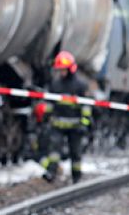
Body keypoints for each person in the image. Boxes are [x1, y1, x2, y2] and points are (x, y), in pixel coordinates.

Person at [38, 50, 92, 183]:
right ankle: (51, 172)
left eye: (63, 69)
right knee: (54, 151)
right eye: (60, 70)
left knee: (75, 153)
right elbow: (50, 103)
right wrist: (46, 116)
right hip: (58, 125)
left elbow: (86, 107)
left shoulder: (80, 85)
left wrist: (85, 123)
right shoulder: (55, 84)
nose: (61, 72)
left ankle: (76, 177)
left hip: (75, 126)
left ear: (71, 69)